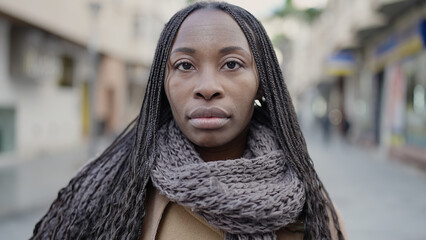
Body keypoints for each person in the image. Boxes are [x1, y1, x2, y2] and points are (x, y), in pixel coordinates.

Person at [31, 2, 347, 240]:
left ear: (261, 81)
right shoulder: (108, 189)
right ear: (162, 83)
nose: (207, 87)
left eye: (232, 64)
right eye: (184, 65)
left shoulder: (313, 211)